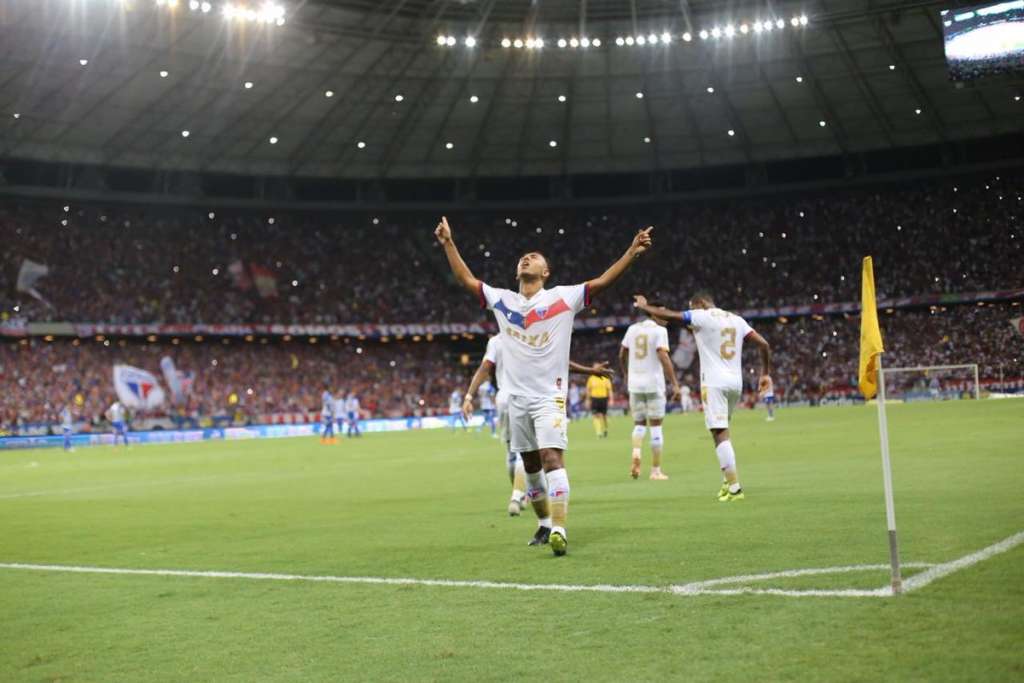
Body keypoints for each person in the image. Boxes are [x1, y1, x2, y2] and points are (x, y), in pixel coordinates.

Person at [436, 214, 653, 556]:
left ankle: (561, 529)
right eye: (524, 257)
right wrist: (448, 242)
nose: (527, 258)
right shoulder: (503, 301)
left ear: (546, 273)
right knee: (531, 468)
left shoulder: (562, 299)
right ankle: (544, 524)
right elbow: (466, 279)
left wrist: (631, 251)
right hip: (516, 400)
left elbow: (602, 282)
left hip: (548, 397)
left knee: (552, 458)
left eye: (534, 257)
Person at [633, 291, 771, 502]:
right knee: (723, 430)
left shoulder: (702, 315)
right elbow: (764, 344)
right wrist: (765, 373)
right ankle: (727, 480)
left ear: (700, 304)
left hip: (714, 383)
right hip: (735, 382)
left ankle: (734, 487)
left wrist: (644, 308)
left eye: (692, 307)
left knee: (719, 433)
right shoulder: (737, 319)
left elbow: (672, 316)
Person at [463, 334, 615, 517]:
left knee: (513, 452)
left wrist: (469, 396)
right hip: (532, 398)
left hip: (504, 398)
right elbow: (559, 363)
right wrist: (589, 370)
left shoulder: (496, 341)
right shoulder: (531, 335)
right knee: (530, 453)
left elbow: (485, 367)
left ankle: (518, 495)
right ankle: (520, 495)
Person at [619, 302, 682, 480]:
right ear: (655, 315)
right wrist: (675, 384)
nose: (668, 318)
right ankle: (655, 471)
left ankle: (637, 452)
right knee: (656, 427)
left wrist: (626, 373)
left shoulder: (632, 329)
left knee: (639, 424)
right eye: (665, 315)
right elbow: (663, 355)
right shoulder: (659, 331)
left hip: (634, 384)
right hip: (654, 384)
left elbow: (621, 353)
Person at [585, 372, 613, 438]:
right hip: (594, 399)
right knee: (595, 415)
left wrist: (611, 399)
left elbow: (610, 390)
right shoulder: (591, 378)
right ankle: (598, 432)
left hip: (603, 398)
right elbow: (588, 390)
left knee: (604, 416)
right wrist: (587, 400)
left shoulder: (606, 378)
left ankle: (606, 429)